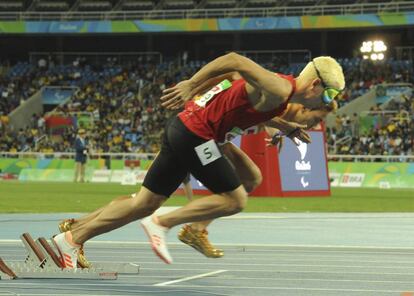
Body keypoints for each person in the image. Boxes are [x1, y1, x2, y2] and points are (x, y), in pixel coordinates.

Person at [52, 52, 345, 267]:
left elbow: (235, 81)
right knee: (236, 199)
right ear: (315, 85)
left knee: (143, 202)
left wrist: (286, 126)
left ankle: (72, 236)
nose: (327, 104)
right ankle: (167, 224)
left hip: (187, 129)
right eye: (330, 95)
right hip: (195, 135)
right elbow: (235, 60)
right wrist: (192, 84)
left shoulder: (280, 96)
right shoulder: (280, 88)